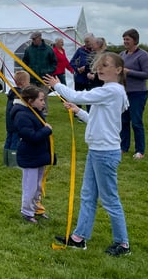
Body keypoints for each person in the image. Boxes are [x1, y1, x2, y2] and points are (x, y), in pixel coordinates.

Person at [44, 53, 131, 257]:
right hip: (97, 150)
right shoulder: (110, 91)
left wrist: (58, 85)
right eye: (98, 66)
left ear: (118, 70)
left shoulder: (112, 90)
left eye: (105, 65)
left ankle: (123, 243)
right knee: (88, 196)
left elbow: (78, 96)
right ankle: (79, 238)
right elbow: (96, 119)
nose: (100, 69)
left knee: (110, 199)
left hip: (105, 153)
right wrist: (78, 112)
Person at [13, 85, 53, 223]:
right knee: (30, 186)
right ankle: (26, 211)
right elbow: (31, 136)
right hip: (30, 156)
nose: (43, 103)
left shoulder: (35, 112)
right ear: (30, 101)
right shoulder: (22, 115)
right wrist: (46, 131)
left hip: (39, 155)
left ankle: (36, 208)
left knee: (38, 185)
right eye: (41, 100)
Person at [119, 28, 148, 159]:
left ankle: (140, 150)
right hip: (124, 93)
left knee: (136, 122)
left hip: (138, 93)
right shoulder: (122, 54)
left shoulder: (143, 55)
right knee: (123, 121)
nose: (125, 41)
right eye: (124, 39)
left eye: (128, 39)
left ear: (135, 40)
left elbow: (147, 74)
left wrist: (129, 72)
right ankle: (123, 147)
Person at [4, 71, 31, 166]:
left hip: (9, 122)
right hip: (15, 123)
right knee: (15, 141)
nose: (29, 84)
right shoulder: (19, 95)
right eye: (28, 82)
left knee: (9, 139)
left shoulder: (12, 93)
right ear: (23, 83)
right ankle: (13, 162)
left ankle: (6, 160)